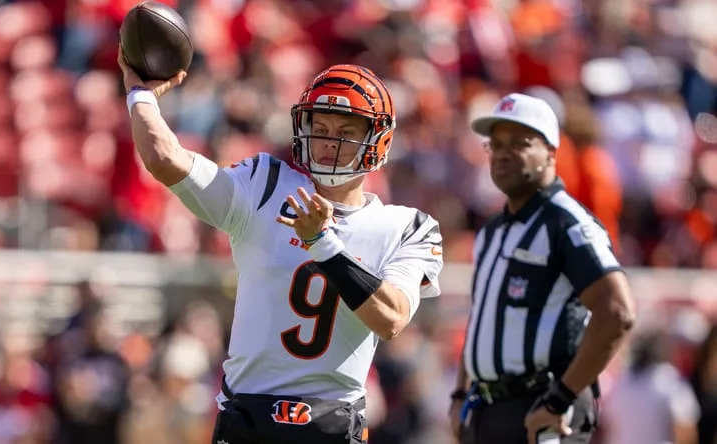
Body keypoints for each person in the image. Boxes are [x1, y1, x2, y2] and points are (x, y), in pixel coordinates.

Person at [117, 48, 443, 444]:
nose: (328, 143)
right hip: (247, 418)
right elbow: (165, 159)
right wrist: (140, 94)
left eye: (345, 133)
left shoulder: (406, 226)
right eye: (320, 127)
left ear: (379, 139)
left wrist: (323, 245)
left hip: (332, 422)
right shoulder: (265, 183)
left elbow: (391, 319)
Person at [448, 93, 635, 444]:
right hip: (488, 409)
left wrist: (560, 398)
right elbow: (482, 318)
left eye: (520, 142)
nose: (503, 153)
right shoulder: (492, 230)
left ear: (551, 151)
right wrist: (459, 394)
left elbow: (618, 311)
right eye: (496, 144)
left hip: (543, 408)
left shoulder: (567, 223)